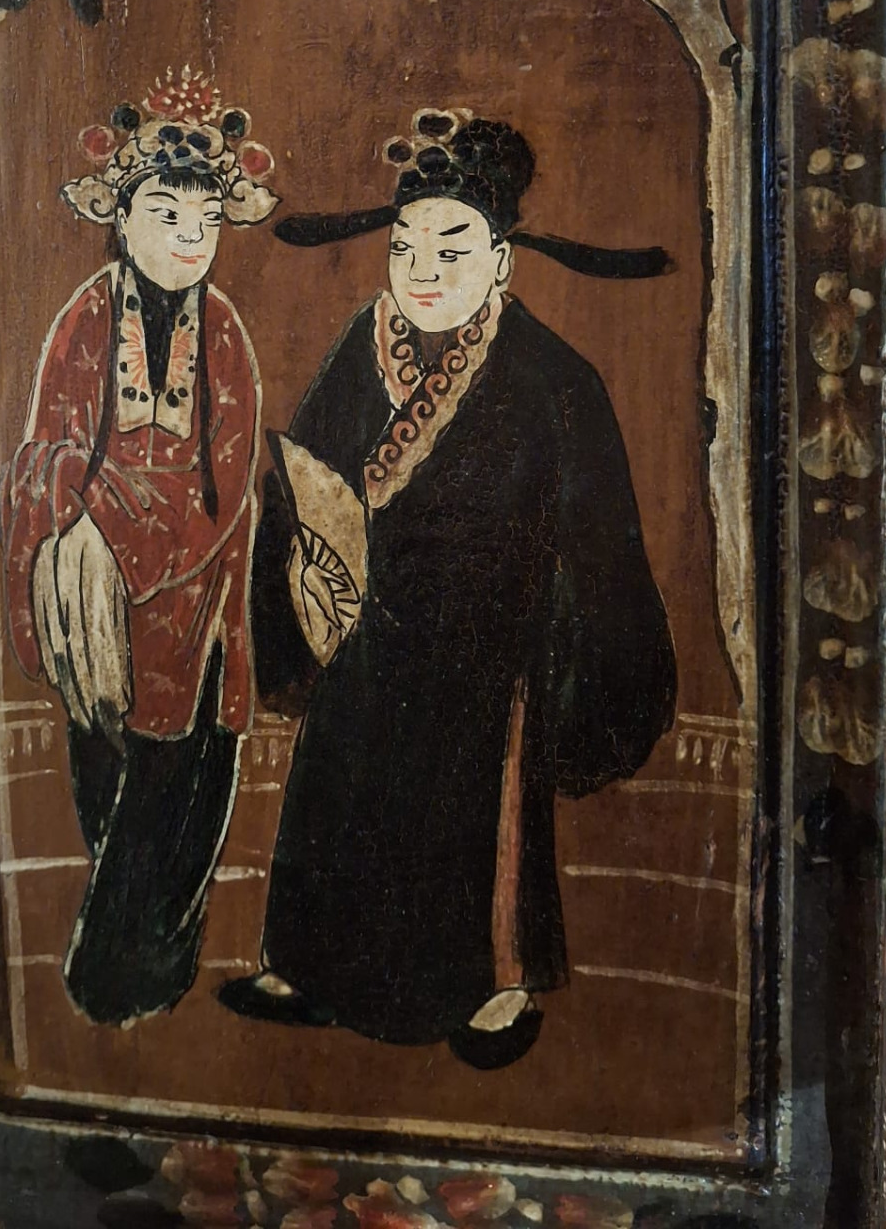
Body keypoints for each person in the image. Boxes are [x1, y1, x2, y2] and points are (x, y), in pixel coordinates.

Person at [219, 110, 677, 1068]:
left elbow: (603, 549)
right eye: (407, 247)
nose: (423, 270)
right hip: (364, 638)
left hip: (489, 655)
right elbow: (300, 487)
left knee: (479, 825)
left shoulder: (556, 380)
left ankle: (497, 986)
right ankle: (308, 966)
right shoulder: (361, 349)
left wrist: (582, 654)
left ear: (501, 261)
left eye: (452, 248)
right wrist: (303, 579)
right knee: (338, 783)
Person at [0, 69, 277, 1024]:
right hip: (98, 616)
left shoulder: (225, 333)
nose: (188, 239)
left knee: (180, 805)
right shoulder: (83, 321)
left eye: (206, 220)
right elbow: (46, 453)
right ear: (121, 218)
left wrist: (117, 532)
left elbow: (227, 482)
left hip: (198, 612)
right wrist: (73, 536)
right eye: (165, 214)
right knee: (108, 800)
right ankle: (131, 980)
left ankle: (126, 980)